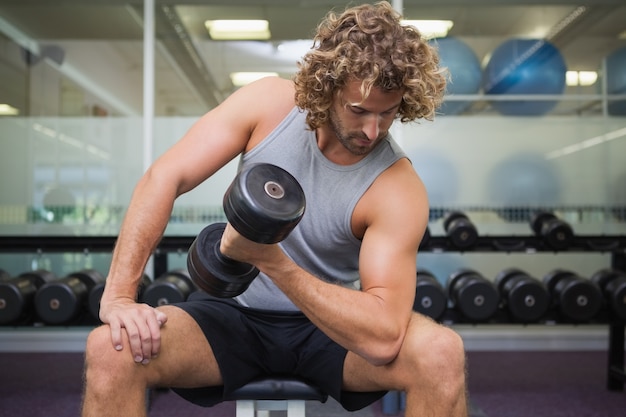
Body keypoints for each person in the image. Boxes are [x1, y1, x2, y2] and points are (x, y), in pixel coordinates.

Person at [81, 2, 468, 416]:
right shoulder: (269, 106)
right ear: (328, 87)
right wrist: (119, 295)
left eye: (387, 113)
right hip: (231, 315)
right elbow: (164, 177)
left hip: (330, 328)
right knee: (110, 349)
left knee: (441, 354)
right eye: (359, 110)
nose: (372, 130)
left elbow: (383, 338)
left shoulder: (396, 187)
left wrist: (271, 261)